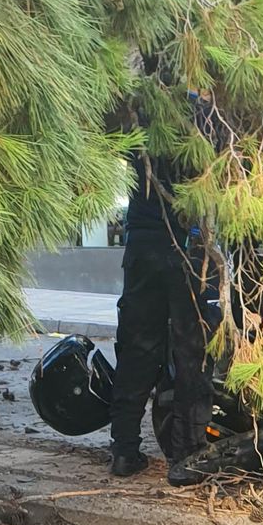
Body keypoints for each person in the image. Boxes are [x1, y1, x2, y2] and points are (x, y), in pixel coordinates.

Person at [108, 148, 215, 485]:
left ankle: (124, 450)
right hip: (188, 246)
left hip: (142, 244)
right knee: (192, 353)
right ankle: (187, 456)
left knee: (136, 350)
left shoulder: (140, 116)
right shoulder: (200, 120)